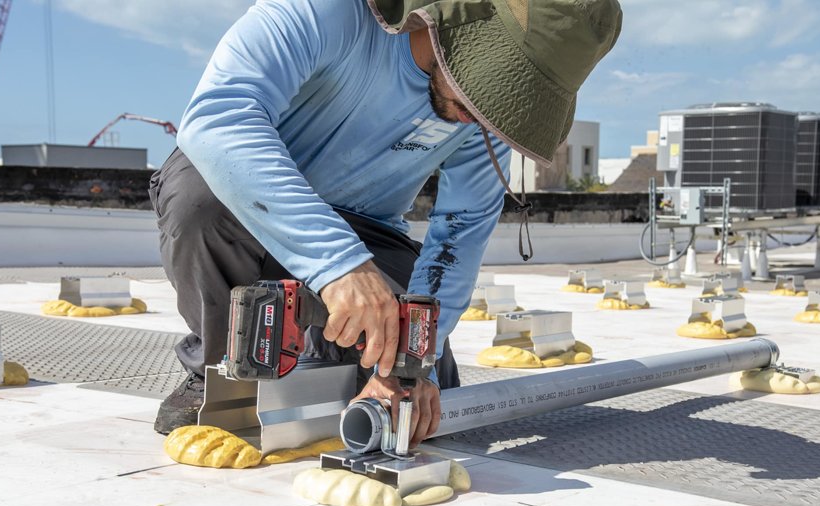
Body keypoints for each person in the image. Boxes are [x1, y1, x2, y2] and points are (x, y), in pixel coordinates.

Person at [148, 0, 622, 445]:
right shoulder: (329, 13)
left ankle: (344, 354)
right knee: (198, 202)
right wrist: (340, 266)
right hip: (240, 203)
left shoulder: (487, 117)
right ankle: (219, 367)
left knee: (411, 384)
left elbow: (460, 229)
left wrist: (416, 363)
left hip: (368, 229)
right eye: (498, 83)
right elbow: (219, 120)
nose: (489, 113)